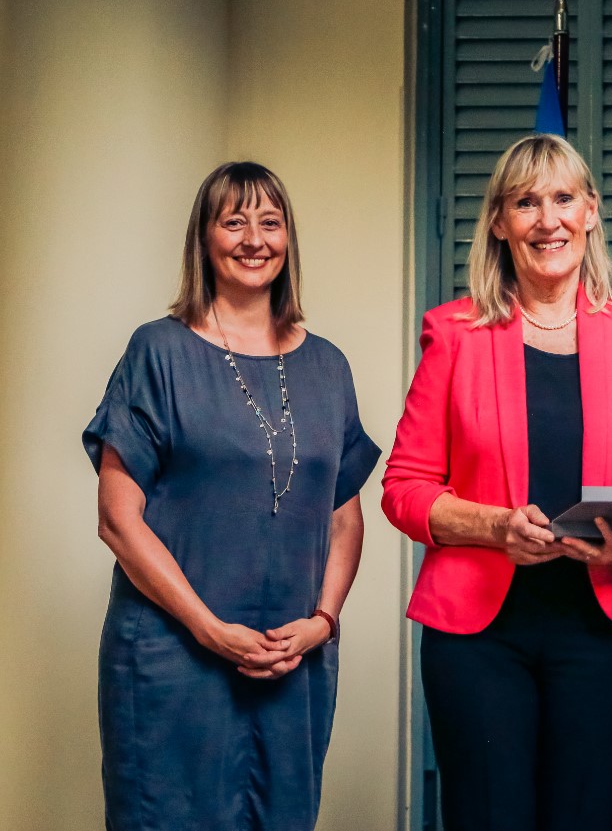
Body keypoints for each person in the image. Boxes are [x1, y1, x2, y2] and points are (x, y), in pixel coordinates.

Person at [381, 133, 612, 831]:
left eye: (563, 199)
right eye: (525, 203)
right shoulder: (453, 333)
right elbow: (404, 486)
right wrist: (495, 527)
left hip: (599, 631)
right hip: (478, 638)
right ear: (499, 222)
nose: (548, 220)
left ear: (590, 212)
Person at [84, 161, 381, 830]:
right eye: (234, 221)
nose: (254, 239)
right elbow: (117, 519)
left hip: (292, 664)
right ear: (204, 237)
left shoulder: (328, 365)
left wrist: (323, 620)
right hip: (173, 661)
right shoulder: (157, 352)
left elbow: (344, 518)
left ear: (288, 239)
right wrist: (208, 628)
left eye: (270, 222)